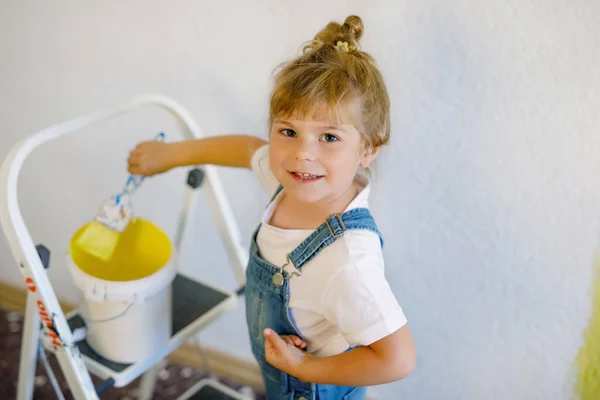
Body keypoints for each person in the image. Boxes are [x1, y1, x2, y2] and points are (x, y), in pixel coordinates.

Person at [127, 14, 415, 400]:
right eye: (288, 132)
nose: (302, 155)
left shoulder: (348, 262)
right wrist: (172, 155)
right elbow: (246, 149)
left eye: (328, 136)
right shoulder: (297, 184)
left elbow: (397, 359)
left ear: (368, 149)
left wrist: (303, 368)